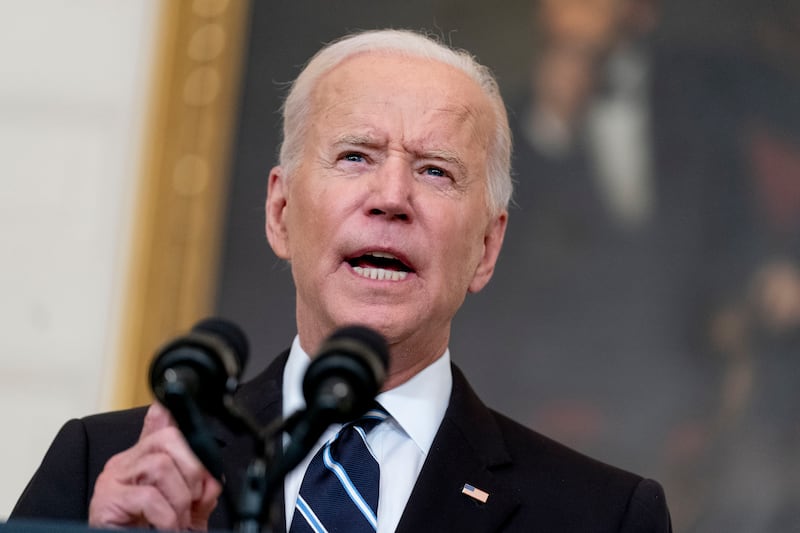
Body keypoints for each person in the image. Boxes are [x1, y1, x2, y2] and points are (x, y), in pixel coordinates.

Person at [11, 29, 671, 532]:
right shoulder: (103, 465)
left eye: (435, 171)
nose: (391, 197)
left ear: (486, 247)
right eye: (355, 156)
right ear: (281, 213)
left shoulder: (603, 515)